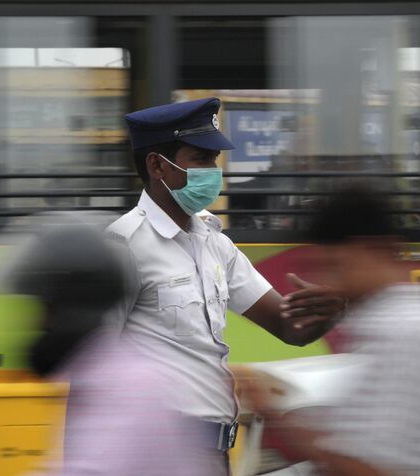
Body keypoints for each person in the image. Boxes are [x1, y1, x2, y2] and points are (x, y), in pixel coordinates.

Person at [105, 97, 344, 473]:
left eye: (214, 161)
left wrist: (327, 311)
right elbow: (93, 366)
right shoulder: (124, 246)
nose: (212, 171)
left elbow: (288, 327)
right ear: (157, 166)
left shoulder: (215, 242)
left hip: (214, 454)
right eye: (200, 159)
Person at [238, 186, 420, 476]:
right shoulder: (400, 322)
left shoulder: (401, 334)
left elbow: (365, 467)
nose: (326, 281)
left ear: (374, 250)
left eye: (334, 265)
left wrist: (271, 414)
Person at [7, 224, 209, 476]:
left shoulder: (129, 386)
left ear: (68, 307)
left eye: (42, 310)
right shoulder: (94, 378)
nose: (35, 326)